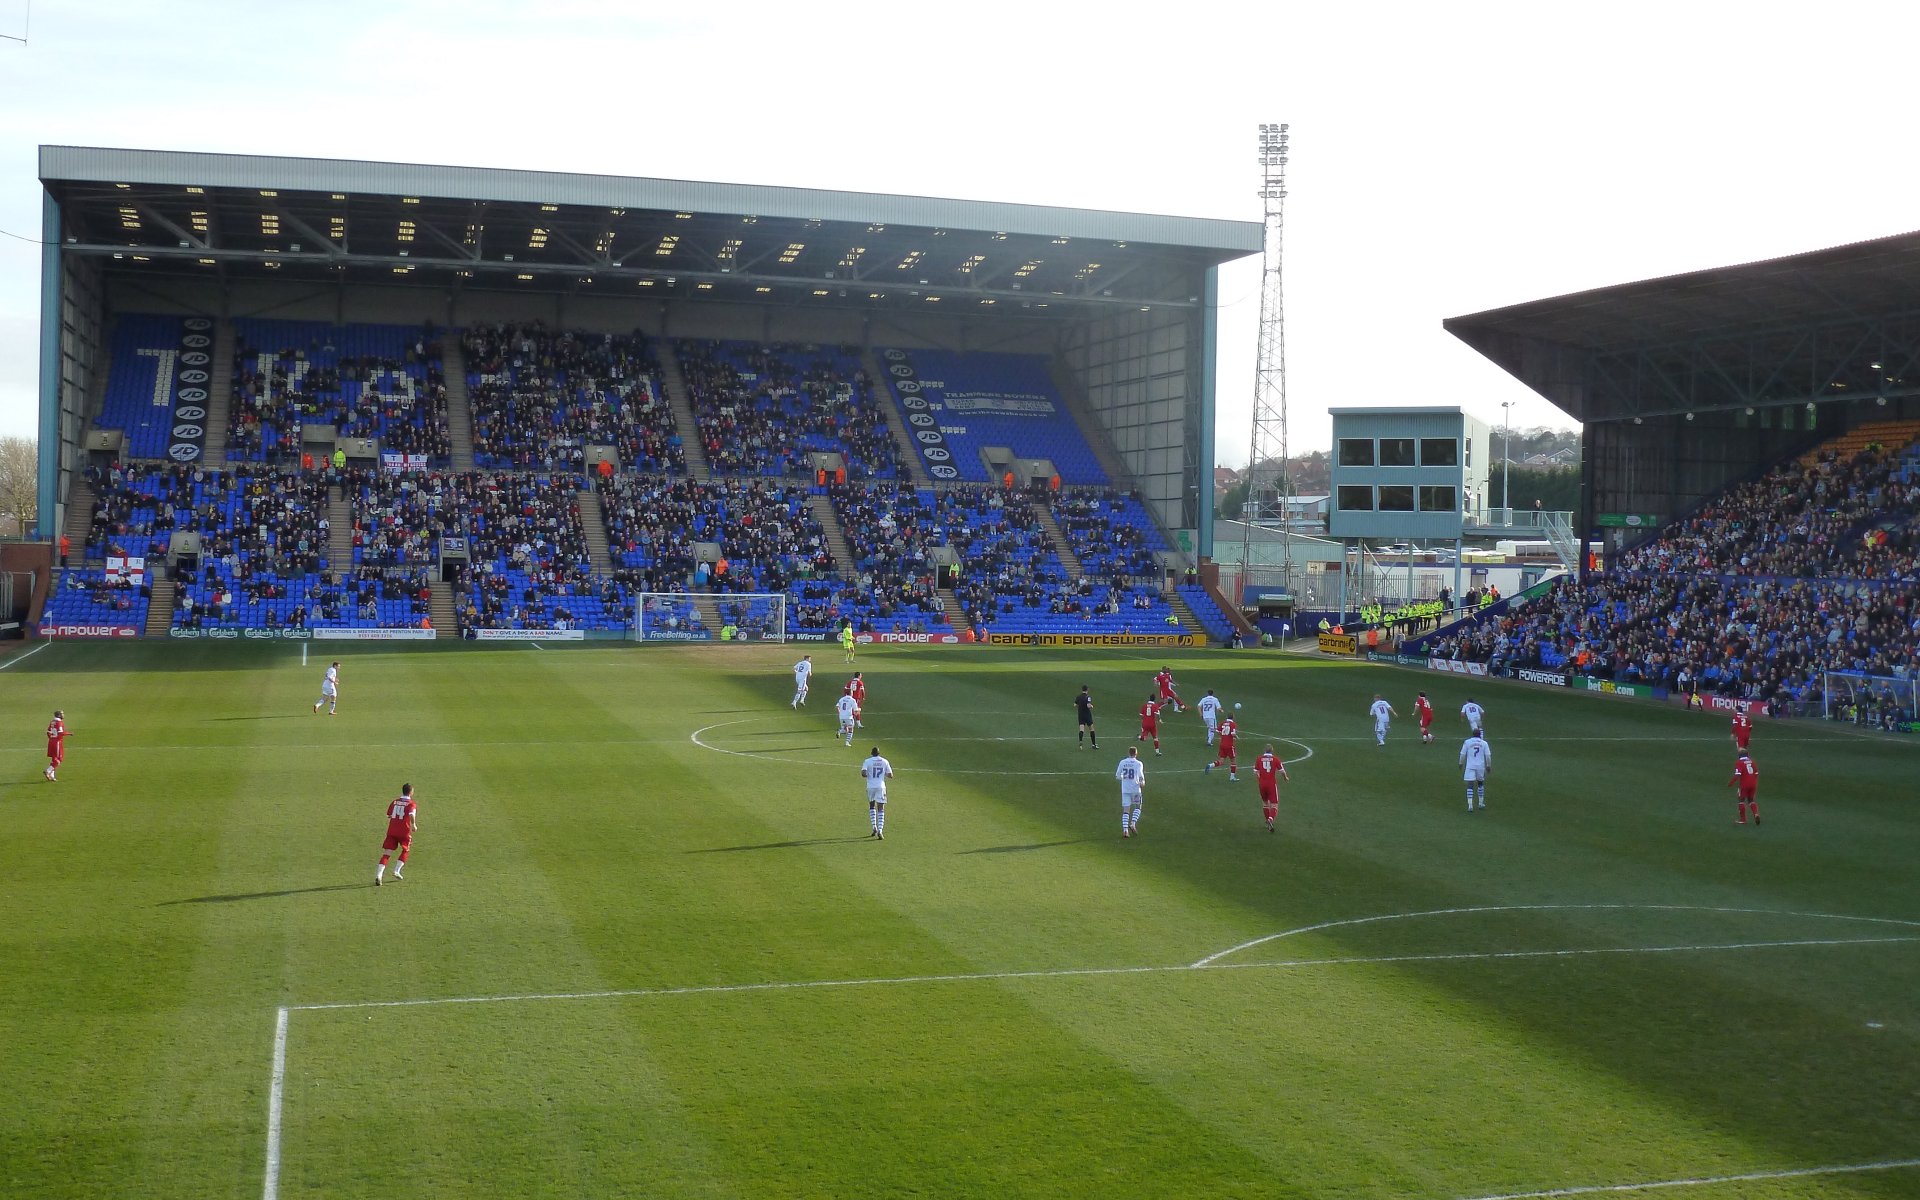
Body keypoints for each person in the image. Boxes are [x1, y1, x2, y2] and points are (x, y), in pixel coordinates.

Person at [375, 783, 417, 884]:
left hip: (392, 830)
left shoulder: (394, 802)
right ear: (411, 792)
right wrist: (413, 824)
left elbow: (389, 815)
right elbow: (411, 814)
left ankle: (379, 875)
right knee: (405, 850)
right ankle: (396, 871)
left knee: (387, 853)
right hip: (404, 831)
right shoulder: (411, 804)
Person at [1253, 743, 1289, 831]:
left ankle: (1267, 822)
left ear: (1264, 750)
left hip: (1262, 784)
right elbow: (1282, 771)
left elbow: (1255, 772)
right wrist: (1286, 778)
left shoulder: (1259, 759)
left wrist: (1260, 780)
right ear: (1272, 751)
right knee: (1274, 805)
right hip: (1271, 784)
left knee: (1265, 803)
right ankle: (1270, 819)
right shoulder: (1275, 759)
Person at [860, 746, 894, 839]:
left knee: (872, 805)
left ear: (872, 753)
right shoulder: (885, 761)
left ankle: (874, 827)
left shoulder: (867, 761)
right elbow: (891, 775)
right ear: (879, 753)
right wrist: (884, 774)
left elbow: (863, 773)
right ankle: (880, 830)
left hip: (870, 786)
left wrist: (868, 775)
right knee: (881, 808)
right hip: (880, 786)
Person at [1115, 746, 1146, 838]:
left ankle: (1125, 830)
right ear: (1136, 754)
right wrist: (1142, 782)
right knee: (1138, 806)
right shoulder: (1138, 763)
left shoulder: (1122, 762)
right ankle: (1132, 823)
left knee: (1126, 810)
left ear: (1128, 753)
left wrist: (1124, 778)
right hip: (1135, 789)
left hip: (1125, 789)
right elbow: (1140, 775)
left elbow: (1117, 776)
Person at [1460, 727, 1491, 812]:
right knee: (1480, 783)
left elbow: (1462, 754)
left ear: (1473, 734)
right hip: (1480, 766)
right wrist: (1488, 765)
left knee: (1470, 784)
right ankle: (1481, 803)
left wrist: (1461, 763)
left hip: (1470, 766)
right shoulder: (1484, 743)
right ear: (1480, 735)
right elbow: (1488, 755)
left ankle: (1470, 805)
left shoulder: (1467, 742)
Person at [1205, 713, 1240, 779]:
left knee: (1221, 761)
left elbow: (1217, 731)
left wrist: (1223, 735)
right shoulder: (1233, 724)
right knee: (1233, 761)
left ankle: (1210, 765)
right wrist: (1236, 736)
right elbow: (1232, 733)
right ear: (1233, 717)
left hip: (1222, 744)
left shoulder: (1223, 723)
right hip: (1229, 745)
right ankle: (1232, 777)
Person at [1730, 751, 1760, 825]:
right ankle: (1756, 814)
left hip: (1744, 785)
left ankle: (1743, 820)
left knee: (1741, 800)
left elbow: (1737, 774)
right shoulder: (1752, 762)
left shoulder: (1739, 762)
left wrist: (1731, 783)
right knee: (1751, 800)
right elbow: (1756, 773)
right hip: (1753, 784)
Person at [44, 709, 68, 782]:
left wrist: (51, 738)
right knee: (59, 759)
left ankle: (52, 776)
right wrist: (69, 733)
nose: (63, 715)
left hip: (51, 741)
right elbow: (60, 733)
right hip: (57, 742)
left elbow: (48, 732)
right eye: (62, 714)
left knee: (54, 759)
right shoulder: (59, 722)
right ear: (59, 715)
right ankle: (48, 771)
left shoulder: (52, 722)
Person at [1075, 685, 1097, 750]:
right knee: (1091, 729)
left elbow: (1075, 704)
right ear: (1087, 689)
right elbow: (1088, 705)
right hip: (1087, 715)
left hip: (1080, 715)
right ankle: (1093, 745)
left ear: (1082, 689)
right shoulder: (1088, 697)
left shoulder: (1078, 697)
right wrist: (1091, 706)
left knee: (1081, 729)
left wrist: (1080, 707)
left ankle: (1080, 743)